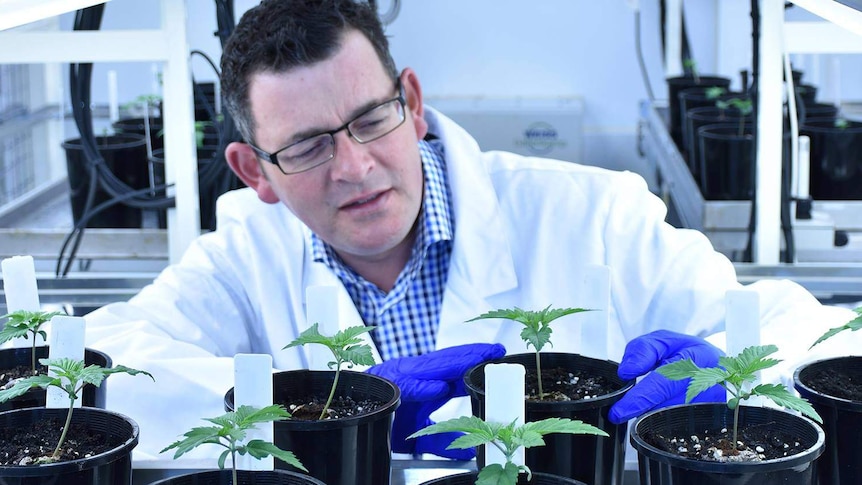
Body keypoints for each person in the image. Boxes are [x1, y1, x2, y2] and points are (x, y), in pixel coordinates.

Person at [83, 0, 857, 462]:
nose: (353, 167)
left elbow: (817, 337)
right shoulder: (241, 258)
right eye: (310, 146)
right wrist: (315, 408)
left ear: (411, 102)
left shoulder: (593, 215)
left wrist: (736, 373)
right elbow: (107, 364)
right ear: (255, 171)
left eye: (370, 120)